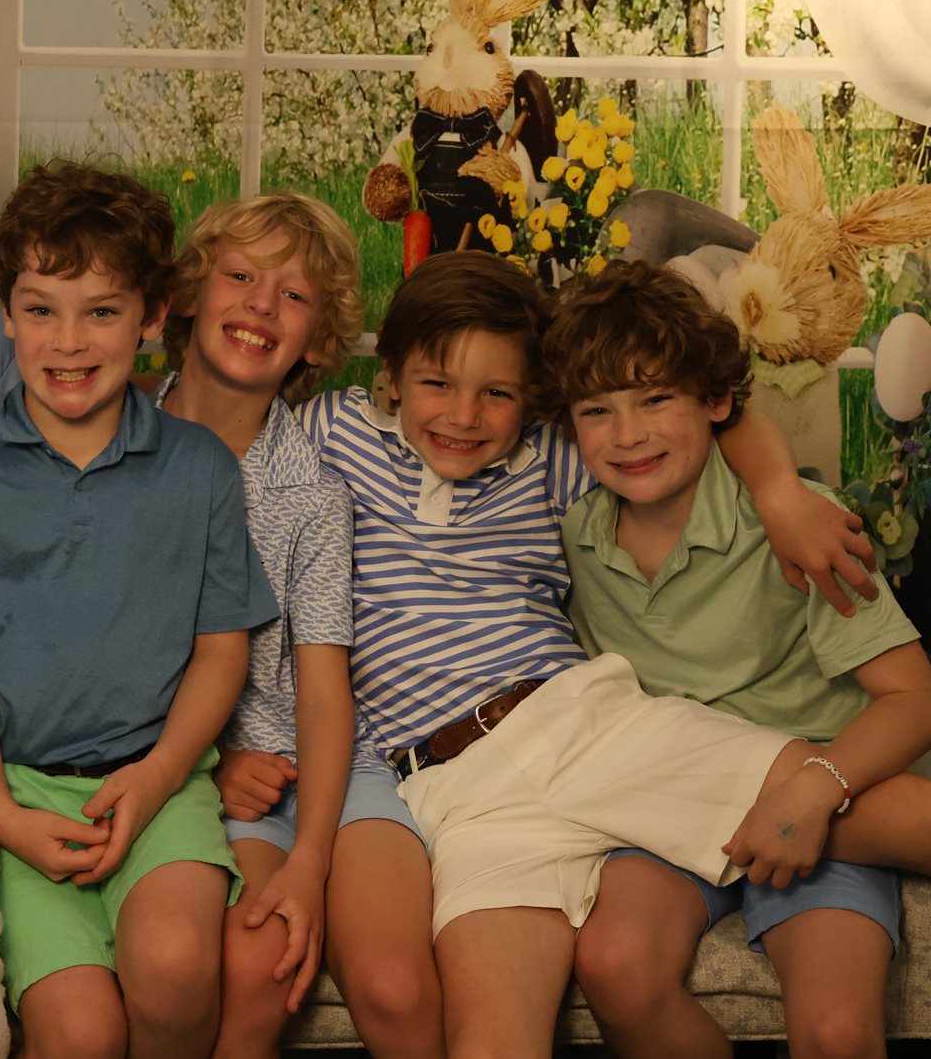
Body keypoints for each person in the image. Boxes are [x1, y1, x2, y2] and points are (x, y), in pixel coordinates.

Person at [286, 249, 882, 1057]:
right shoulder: (330, 431)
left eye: (497, 392)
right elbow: (226, 436)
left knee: (844, 807)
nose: (464, 414)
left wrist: (778, 488)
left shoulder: (552, 456)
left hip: (567, 717)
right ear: (388, 375)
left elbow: (703, 405)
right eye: (436, 383)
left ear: (531, 396)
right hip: (450, 790)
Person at [0, 162, 278, 1059]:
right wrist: (1, 812)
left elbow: (222, 650)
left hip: (157, 782)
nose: (68, 341)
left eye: (101, 311)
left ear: (153, 316)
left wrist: (159, 776)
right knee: (81, 1031)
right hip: (12, 790)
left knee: (175, 963)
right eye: (41, 309)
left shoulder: (199, 468)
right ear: (8, 314)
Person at [547, 260, 931, 1059]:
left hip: (817, 796)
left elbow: (913, 697)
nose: (628, 434)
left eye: (656, 398)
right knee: (615, 964)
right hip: (668, 811)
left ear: (717, 402)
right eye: (597, 410)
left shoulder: (798, 527)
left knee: (835, 1029)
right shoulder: (571, 537)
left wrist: (817, 789)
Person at [155, 194, 443, 1059]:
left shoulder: (312, 491)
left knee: (390, 983)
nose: (259, 304)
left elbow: (323, 686)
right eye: (240, 276)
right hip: (220, 773)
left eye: (292, 296)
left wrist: (313, 862)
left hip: (328, 769)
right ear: (191, 293)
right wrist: (210, 762)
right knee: (258, 958)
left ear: (317, 341)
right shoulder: (116, 441)